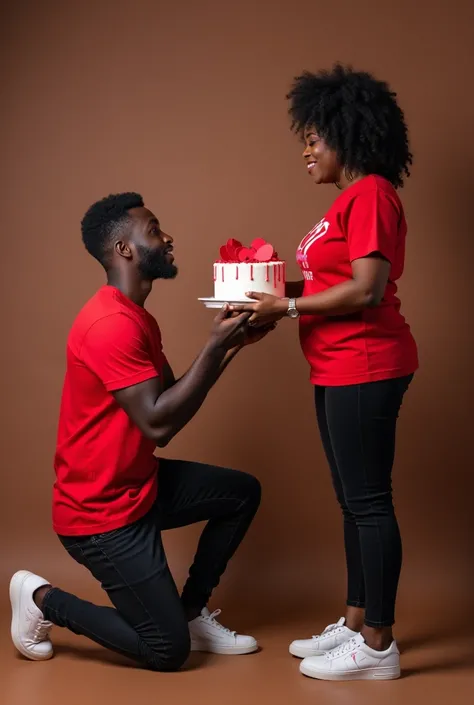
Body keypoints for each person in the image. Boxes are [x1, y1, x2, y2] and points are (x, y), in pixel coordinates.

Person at [10, 192, 274, 671]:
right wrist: (215, 347)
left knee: (241, 493)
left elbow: (171, 398)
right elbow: (159, 423)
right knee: (165, 650)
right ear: (125, 249)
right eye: (154, 230)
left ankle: (190, 613)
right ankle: (41, 598)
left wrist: (232, 345)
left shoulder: (136, 317)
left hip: (138, 488)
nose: (168, 237)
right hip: (100, 517)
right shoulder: (110, 323)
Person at [232, 65, 419, 681]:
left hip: (366, 364)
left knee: (369, 503)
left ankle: (379, 647)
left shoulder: (370, 195)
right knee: (352, 501)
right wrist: (258, 291)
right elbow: (327, 282)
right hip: (337, 367)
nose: (306, 150)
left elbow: (365, 291)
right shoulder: (348, 200)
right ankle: (357, 619)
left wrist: (283, 307)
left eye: (314, 137)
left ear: (349, 134)